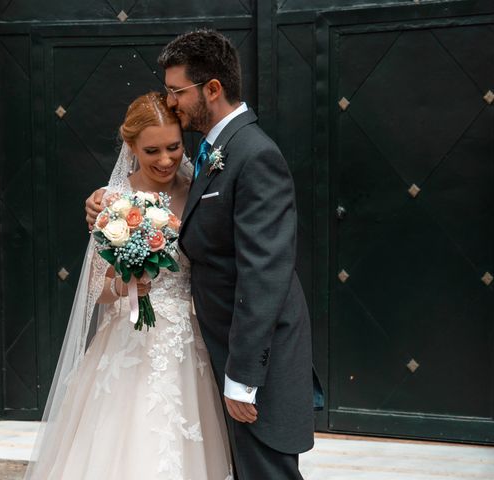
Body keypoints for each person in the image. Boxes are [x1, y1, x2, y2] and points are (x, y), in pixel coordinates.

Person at [86, 30, 323, 480]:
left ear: (211, 88)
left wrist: (243, 378)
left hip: (251, 359)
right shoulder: (213, 153)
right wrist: (106, 210)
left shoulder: (252, 155)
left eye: (177, 91)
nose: (171, 101)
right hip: (203, 349)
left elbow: (264, 274)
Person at [25, 92, 232, 480]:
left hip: (188, 339)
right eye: (152, 150)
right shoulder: (114, 201)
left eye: (173, 147)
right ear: (131, 146)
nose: (166, 159)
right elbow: (92, 288)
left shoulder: (201, 190)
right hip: (128, 337)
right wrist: (127, 284)